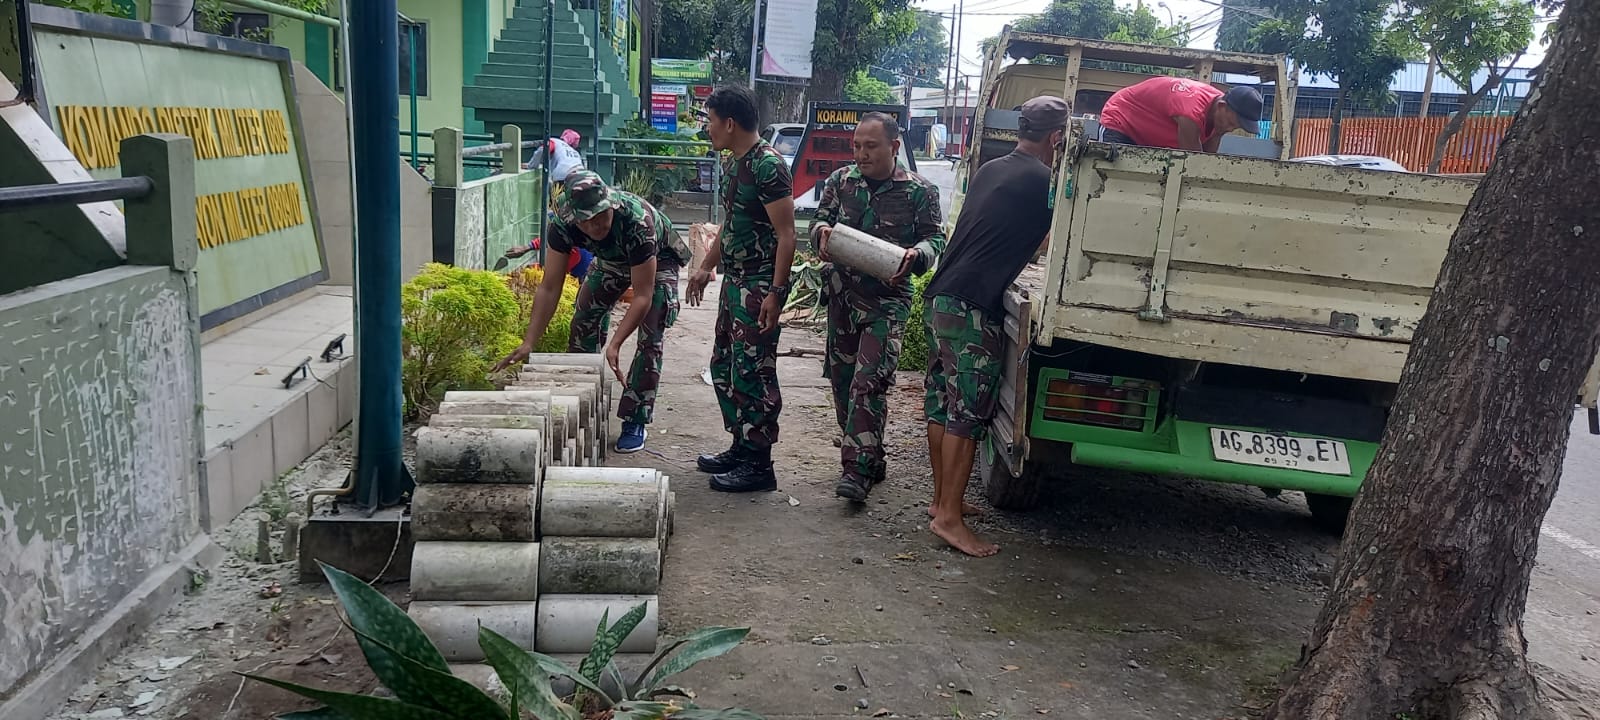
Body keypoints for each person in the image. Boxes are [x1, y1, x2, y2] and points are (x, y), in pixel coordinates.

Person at [921, 96, 1068, 557]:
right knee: (969, 412)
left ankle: (944, 501)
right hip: (972, 306)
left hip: (941, 296)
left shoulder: (990, 169)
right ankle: (948, 519)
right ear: (1058, 138)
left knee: (944, 402)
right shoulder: (1047, 183)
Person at [492, 170, 692, 454]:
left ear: (609, 205)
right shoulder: (562, 225)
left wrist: (616, 343)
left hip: (658, 260)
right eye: (585, 220)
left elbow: (643, 295)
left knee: (650, 334)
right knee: (583, 319)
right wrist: (529, 341)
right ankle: (583, 398)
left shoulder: (637, 222)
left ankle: (635, 418)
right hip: (610, 260)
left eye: (600, 216)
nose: (595, 225)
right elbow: (550, 287)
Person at [810, 112, 946, 503]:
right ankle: (870, 453)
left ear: (894, 147)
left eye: (870, 146)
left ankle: (857, 469)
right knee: (841, 381)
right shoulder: (841, 182)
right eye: (856, 146)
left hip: (887, 302)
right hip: (841, 296)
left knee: (868, 383)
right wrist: (820, 232)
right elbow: (820, 219)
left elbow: (934, 240)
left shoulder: (919, 191)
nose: (862, 154)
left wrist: (915, 256)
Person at [685, 84, 798, 493]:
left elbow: (787, 236)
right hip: (734, 284)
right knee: (726, 367)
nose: (708, 129)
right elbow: (732, 223)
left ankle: (759, 465)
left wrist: (776, 293)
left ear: (730, 123)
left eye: (711, 122)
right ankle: (741, 445)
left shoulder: (768, 165)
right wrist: (705, 267)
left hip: (758, 287)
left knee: (754, 373)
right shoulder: (736, 163)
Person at [1096, 77, 1263, 153]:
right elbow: (1195, 163)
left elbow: (1207, 159)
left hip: (1145, 136)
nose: (1230, 129)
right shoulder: (1190, 111)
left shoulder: (1218, 115)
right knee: (1115, 180)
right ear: (1222, 106)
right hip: (1121, 121)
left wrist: (1218, 133)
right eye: (1231, 123)